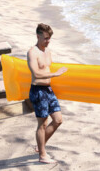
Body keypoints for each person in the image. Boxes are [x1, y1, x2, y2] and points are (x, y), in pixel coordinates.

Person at [29, 23, 68, 165]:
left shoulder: (48, 51)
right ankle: (42, 155)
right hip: (38, 91)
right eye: (45, 38)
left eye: (49, 38)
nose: (47, 41)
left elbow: (47, 68)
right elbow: (36, 73)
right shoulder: (32, 52)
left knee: (58, 120)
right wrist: (55, 74)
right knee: (42, 124)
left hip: (49, 90)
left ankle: (40, 146)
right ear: (37, 36)